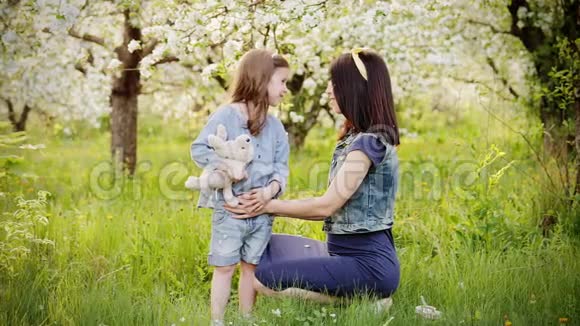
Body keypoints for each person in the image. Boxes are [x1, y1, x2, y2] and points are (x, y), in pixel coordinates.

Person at [225, 48, 400, 308]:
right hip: (340, 252)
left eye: (336, 83)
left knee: (262, 279)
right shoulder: (355, 137)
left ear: (355, 88)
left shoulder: (369, 144)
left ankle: (364, 302)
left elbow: (326, 206)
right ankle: (358, 295)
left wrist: (268, 205)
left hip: (368, 264)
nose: (329, 90)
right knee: (258, 247)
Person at [190, 49, 290, 325]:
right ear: (261, 79)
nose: (285, 90)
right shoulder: (226, 116)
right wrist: (226, 169)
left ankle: (247, 320)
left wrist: (270, 191)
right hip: (231, 210)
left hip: (262, 212)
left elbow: (281, 168)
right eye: (281, 82)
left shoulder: (276, 128)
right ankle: (217, 321)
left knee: (252, 268)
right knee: (224, 267)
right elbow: (199, 148)